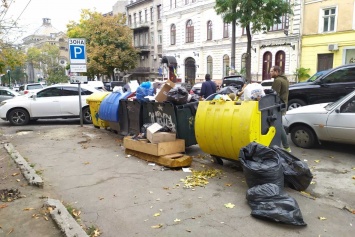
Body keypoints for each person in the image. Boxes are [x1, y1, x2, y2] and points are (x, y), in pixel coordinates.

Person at [270, 66, 291, 152]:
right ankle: (281, 146)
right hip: (283, 104)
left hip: (277, 106)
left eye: (271, 71)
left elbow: (273, 95)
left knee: (278, 125)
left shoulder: (278, 80)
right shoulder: (285, 79)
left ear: (277, 72)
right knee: (278, 124)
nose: (270, 73)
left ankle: (286, 147)